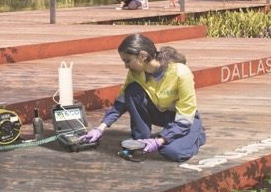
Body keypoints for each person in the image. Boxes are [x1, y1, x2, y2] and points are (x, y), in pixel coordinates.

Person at [77, 34, 207, 162]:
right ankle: (140, 138)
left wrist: (159, 141)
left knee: (172, 152)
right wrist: (100, 128)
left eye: (127, 61)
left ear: (143, 56)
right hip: (160, 113)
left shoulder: (180, 73)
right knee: (132, 90)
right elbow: (121, 102)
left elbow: (185, 118)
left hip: (183, 119)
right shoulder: (136, 73)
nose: (126, 66)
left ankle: (197, 136)